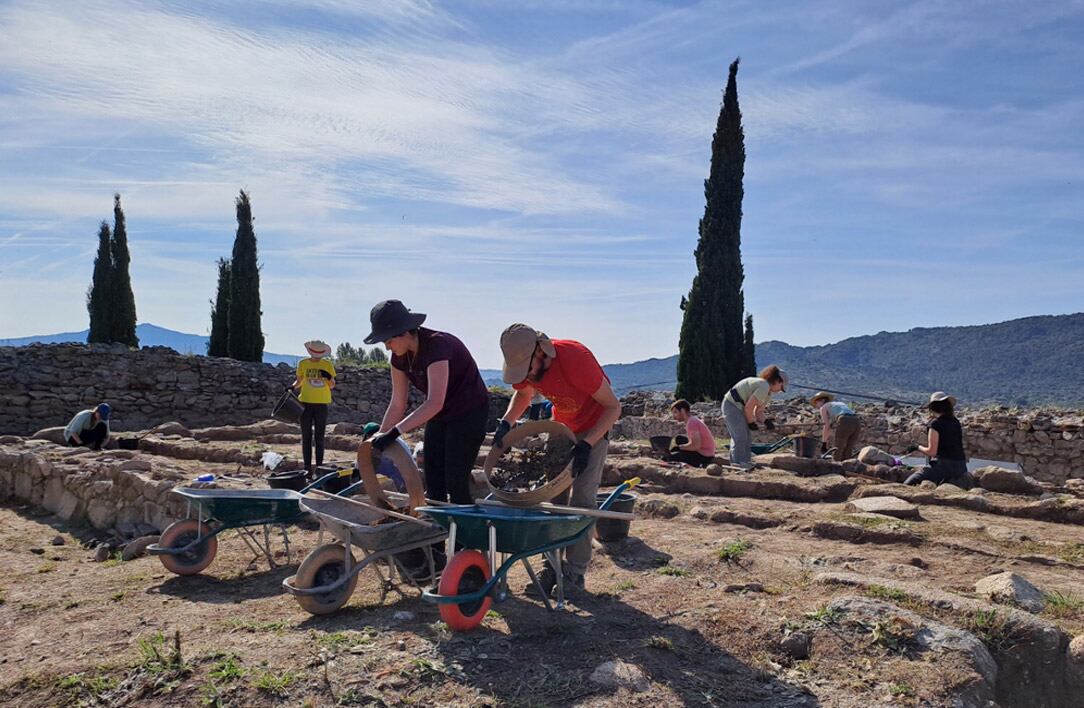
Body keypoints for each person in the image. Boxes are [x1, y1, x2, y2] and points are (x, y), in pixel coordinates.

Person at [495, 323, 622, 597]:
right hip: (562, 428)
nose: (527, 376)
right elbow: (524, 393)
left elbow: (614, 407)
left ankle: (574, 574)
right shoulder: (528, 365)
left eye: (528, 369)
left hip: (594, 427)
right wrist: (506, 423)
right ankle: (550, 566)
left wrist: (588, 445)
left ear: (541, 350)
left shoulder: (575, 359)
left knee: (583, 502)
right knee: (552, 499)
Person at [364, 300, 489, 508]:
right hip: (441, 415)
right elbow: (397, 403)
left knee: (456, 481)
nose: (386, 346)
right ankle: (438, 538)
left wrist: (394, 434)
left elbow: (434, 401)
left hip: (469, 411)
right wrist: (379, 439)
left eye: (387, 340)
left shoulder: (437, 346)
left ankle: (464, 539)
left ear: (402, 332)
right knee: (433, 481)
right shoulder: (399, 358)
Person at [722, 365, 788, 468]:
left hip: (740, 407)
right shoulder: (763, 386)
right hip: (732, 405)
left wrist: (766, 422)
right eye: (781, 387)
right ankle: (738, 464)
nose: (780, 390)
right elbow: (749, 407)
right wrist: (751, 422)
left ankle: (745, 462)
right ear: (777, 380)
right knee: (740, 436)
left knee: (746, 437)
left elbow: (758, 412)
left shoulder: (768, 393)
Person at [904, 392, 973, 489]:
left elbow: (932, 452)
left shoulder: (935, 424)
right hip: (961, 466)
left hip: (944, 466)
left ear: (933, 408)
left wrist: (916, 447)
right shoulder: (955, 422)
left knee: (909, 484)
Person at [291, 340, 336, 474]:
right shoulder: (303, 364)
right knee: (306, 436)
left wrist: (328, 377)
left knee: (319, 437)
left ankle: (320, 468)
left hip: (321, 404)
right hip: (305, 403)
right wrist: (292, 387)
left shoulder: (327, 365)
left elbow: (332, 384)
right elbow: (300, 381)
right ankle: (307, 468)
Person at [810, 392, 863, 461]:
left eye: (817, 403)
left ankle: (835, 465)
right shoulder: (839, 404)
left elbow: (826, 426)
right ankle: (847, 465)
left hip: (844, 420)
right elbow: (831, 426)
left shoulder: (823, 407)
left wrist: (824, 443)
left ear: (822, 400)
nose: (817, 406)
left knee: (838, 447)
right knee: (849, 448)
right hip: (856, 421)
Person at [667, 399, 716, 467]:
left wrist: (679, 448)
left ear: (683, 411)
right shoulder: (692, 420)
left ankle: (697, 464)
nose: (674, 416)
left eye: (676, 412)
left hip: (704, 456)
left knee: (671, 457)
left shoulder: (692, 423)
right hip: (705, 451)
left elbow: (696, 446)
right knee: (679, 439)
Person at [362, 422, 409, 492]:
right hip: (408, 477)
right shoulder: (392, 437)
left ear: (369, 435)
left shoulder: (380, 442)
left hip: (398, 478)